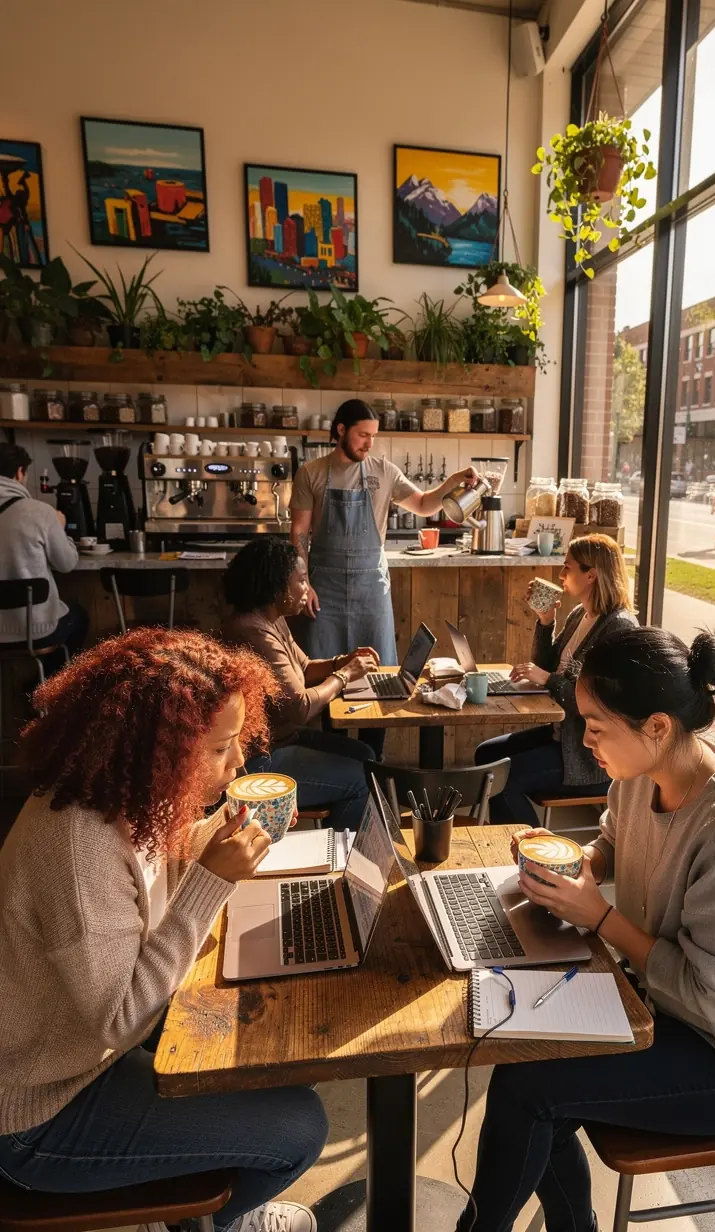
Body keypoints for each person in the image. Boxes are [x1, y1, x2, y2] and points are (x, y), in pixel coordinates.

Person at [457, 625, 715, 1232]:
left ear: (656, 726)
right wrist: (573, 866)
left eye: (596, 728)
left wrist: (598, 916)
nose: (585, 740)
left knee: (528, 1087)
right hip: (666, 1006)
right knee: (523, 1059)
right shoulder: (638, 775)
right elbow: (613, 845)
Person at [0, 629, 327, 1232]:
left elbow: (154, 872)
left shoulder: (124, 795)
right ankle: (212, 1222)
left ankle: (185, 1201)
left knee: (272, 1049)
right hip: (41, 1112)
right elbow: (121, 1015)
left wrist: (217, 842)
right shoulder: (77, 846)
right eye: (221, 748)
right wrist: (211, 883)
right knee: (300, 1127)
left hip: (93, 1058)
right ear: (160, 749)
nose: (238, 763)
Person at [289, 398, 481, 757]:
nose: (369, 443)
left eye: (374, 436)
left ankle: (371, 761)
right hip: (323, 591)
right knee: (328, 679)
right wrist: (304, 584)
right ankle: (340, 762)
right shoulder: (311, 473)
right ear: (341, 430)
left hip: (369, 592)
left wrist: (452, 482)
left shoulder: (383, 470)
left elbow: (424, 504)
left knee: (381, 677)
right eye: (363, 435)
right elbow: (298, 533)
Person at [474, 534, 635, 825]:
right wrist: (545, 620)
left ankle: (536, 856)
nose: (560, 574)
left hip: (588, 755)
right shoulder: (579, 615)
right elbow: (545, 665)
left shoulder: (619, 627)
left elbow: (599, 703)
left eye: (567, 567)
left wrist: (547, 680)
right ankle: (500, 841)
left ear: (591, 575)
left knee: (501, 781)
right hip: (562, 736)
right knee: (485, 754)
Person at [222, 537, 378, 829]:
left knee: (367, 757)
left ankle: (341, 835)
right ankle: (341, 858)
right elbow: (299, 708)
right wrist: (344, 676)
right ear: (278, 586)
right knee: (360, 779)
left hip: (282, 740)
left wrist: (341, 662)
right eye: (302, 580)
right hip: (259, 761)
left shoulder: (271, 619)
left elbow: (304, 669)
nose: (307, 588)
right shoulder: (254, 633)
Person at [0, 441, 87, 672]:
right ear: (20, 472)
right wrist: (62, 527)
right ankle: (50, 685)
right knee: (79, 617)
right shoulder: (39, 512)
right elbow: (67, 564)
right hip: (36, 631)